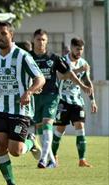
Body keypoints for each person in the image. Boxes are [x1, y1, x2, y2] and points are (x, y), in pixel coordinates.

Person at [0, 21, 45, 185]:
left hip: (20, 109)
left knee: (16, 151)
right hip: (0, 108)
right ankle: (11, 184)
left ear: (11, 35)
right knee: (0, 146)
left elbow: (40, 79)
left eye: (3, 33)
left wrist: (28, 92)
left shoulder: (23, 56)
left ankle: (30, 142)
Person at [30, 29, 92, 168]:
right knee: (40, 127)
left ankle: (43, 159)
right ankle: (51, 159)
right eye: (38, 39)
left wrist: (82, 85)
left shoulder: (54, 57)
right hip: (35, 97)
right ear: (33, 40)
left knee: (47, 123)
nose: (41, 42)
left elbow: (68, 73)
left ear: (47, 41)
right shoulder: (27, 57)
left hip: (52, 96)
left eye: (44, 39)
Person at [52, 37, 97, 167]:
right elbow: (61, 76)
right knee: (60, 129)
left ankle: (82, 159)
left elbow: (87, 82)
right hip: (62, 100)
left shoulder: (83, 62)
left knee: (80, 127)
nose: (79, 52)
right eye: (77, 49)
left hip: (77, 101)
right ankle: (53, 155)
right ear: (71, 47)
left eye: (81, 50)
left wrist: (93, 101)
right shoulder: (62, 60)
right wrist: (78, 70)